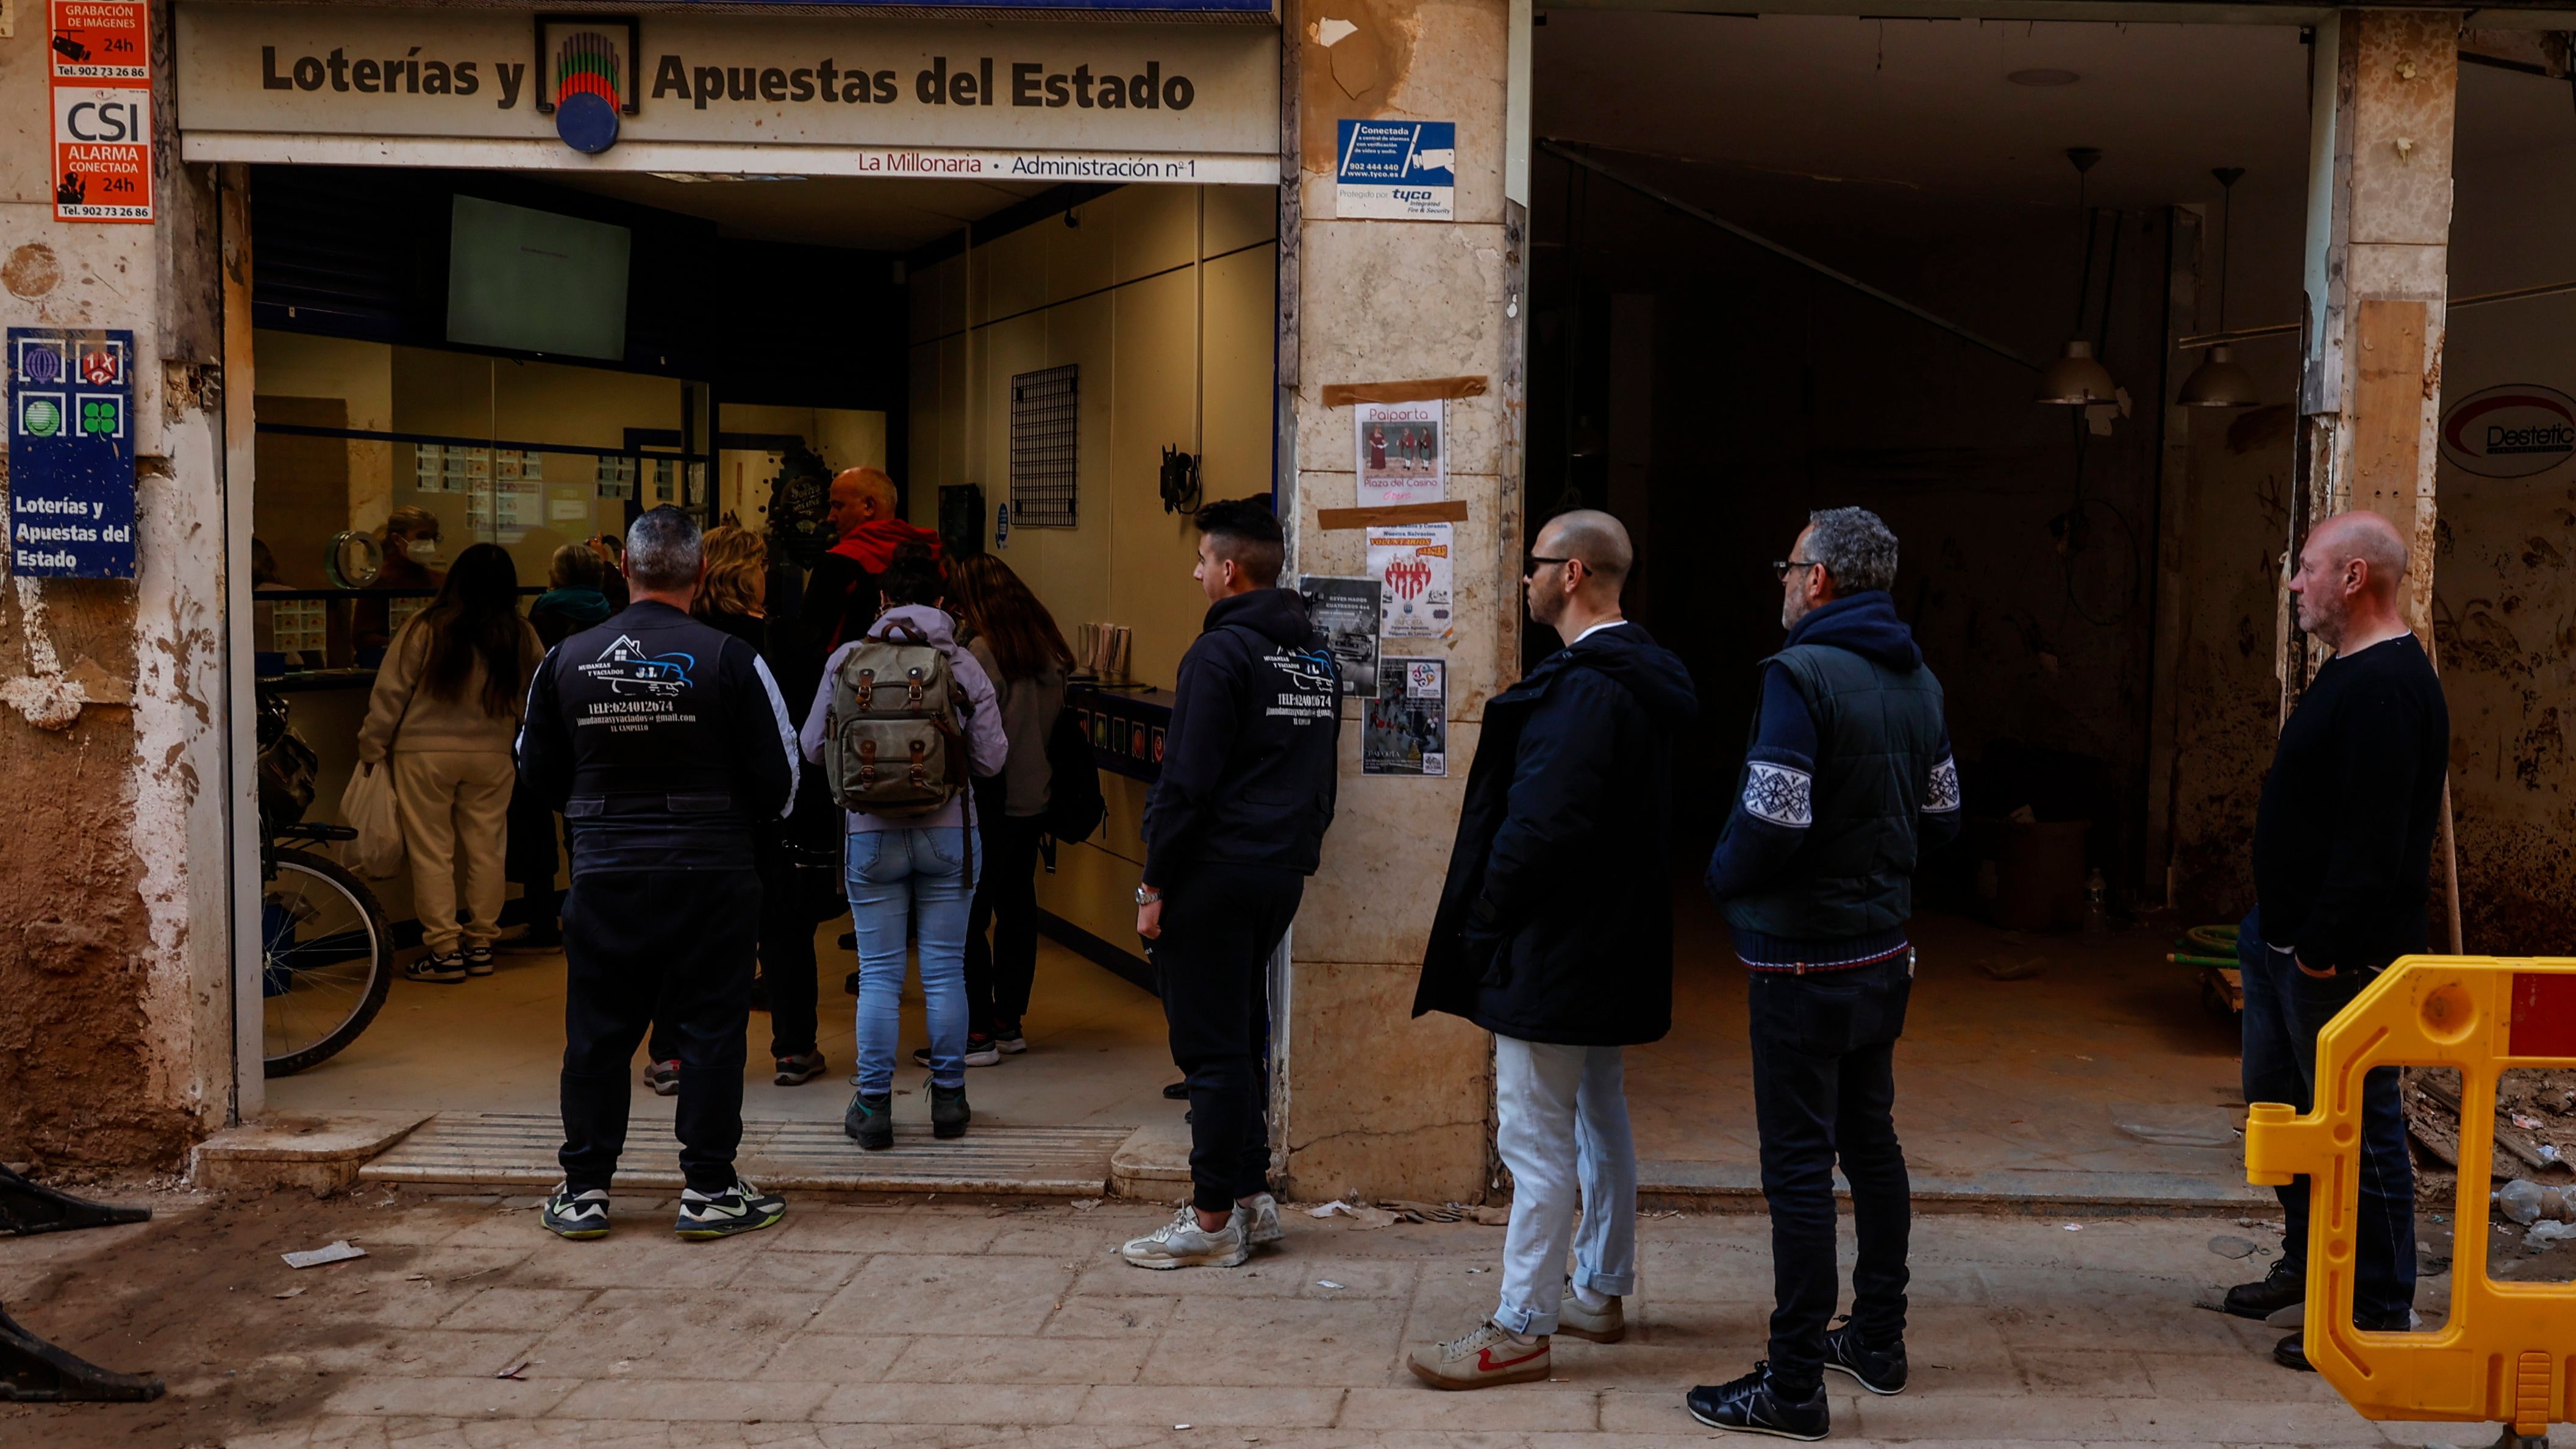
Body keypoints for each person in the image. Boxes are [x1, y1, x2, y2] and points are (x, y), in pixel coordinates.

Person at [1405, 510, 1697, 1390]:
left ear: (1571, 574)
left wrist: (1485, 922)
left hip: (1554, 949)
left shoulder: (1584, 689)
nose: (1522, 579)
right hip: (1609, 947)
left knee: (1534, 1143)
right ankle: (1599, 1289)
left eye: (1532, 564)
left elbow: (1540, 830)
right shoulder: (1646, 678)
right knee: (1597, 1115)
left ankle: (1521, 1324)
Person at [1688, 506, 1958, 1439]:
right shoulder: (1917, 678)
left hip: (1801, 961)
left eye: (1788, 564)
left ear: (1821, 581)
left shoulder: (1798, 678)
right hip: (1882, 956)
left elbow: (1773, 821)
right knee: (1869, 1144)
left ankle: (1793, 1384)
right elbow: (1946, 815)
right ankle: (1876, 1340)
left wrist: (1720, 882)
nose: (1782, 579)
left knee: (1798, 1170)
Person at [516, 506, 801, 1242]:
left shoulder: (566, 658)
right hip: (712, 869)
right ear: (701, 573)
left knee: (597, 1036)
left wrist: (593, 819)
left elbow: (535, 768)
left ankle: (584, 1192)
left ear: (625, 570)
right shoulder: (734, 658)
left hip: (606, 868)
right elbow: (784, 779)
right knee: (711, 1030)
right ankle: (709, 1190)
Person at [2221, 510, 2446, 1371]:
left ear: (2353, 578)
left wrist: (2318, 948)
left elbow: (2375, 844)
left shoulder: (2387, 686)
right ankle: (2308, 1266)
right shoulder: (2347, 670)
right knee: (2287, 1120)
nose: (2293, 585)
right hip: (2282, 944)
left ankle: (2376, 1309)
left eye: (2305, 569)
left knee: (2360, 1131)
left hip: (2336, 960)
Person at [1118, 498, 1340, 1270]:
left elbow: (1185, 782)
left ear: (1230, 571)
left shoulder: (1219, 656)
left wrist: (1153, 884)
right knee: (1242, 1033)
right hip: (1279, 872)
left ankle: (1209, 1224)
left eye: (1203, 560)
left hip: (1213, 873)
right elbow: (1320, 780)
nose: (1195, 571)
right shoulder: (1315, 658)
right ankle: (1252, 1199)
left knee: (1209, 1050)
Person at [802, 542, 1007, 1149]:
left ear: (883, 599)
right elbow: (993, 762)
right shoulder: (963, 665)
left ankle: (872, 1109)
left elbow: (814, 748)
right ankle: (948, 1102)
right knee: (945, 973)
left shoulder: (847, 659)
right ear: (944, 602)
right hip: (950, 836)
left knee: (880, 975)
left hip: (869, 837)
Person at [356, 543, 544, 983]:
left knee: (432, 853)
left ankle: (444, 951)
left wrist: (372, 747)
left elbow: (390, 694)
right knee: (487, 850)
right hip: (492, 754)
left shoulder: (425, 627)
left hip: (423, 755)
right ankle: (481, 944)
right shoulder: (520, 633)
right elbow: (534, 699)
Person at [684, 526, 827, 1089]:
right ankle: (794, 1050)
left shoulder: (682, 638)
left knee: (691, 933)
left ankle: (679, 1054)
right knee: (786, 932)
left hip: (696, 808)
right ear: (746, 570)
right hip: (772, 807)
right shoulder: (786, 639)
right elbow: (813, 727)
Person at [946, 554, 1074, 1061]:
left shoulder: (980, 652)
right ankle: (1008, 1020)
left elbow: (972, 735)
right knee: (1018, 908)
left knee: (970, 915)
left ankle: (975, 1030)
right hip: (1035, 798)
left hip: (989, 800)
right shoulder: (1048, 649)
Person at [505, 545, 619, 953]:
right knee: (585, 831)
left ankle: (542, 922)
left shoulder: (541, 616)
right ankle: (595, 919)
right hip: (597, 729)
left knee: (537, 830)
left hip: (550, 731)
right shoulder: (613, 611)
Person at [355, 506, 446, 652]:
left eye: (433, 537)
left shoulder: (439, 580)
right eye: (422, 536)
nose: (429, 543)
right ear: (397, 539)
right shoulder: (380, 581)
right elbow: (362, 638)